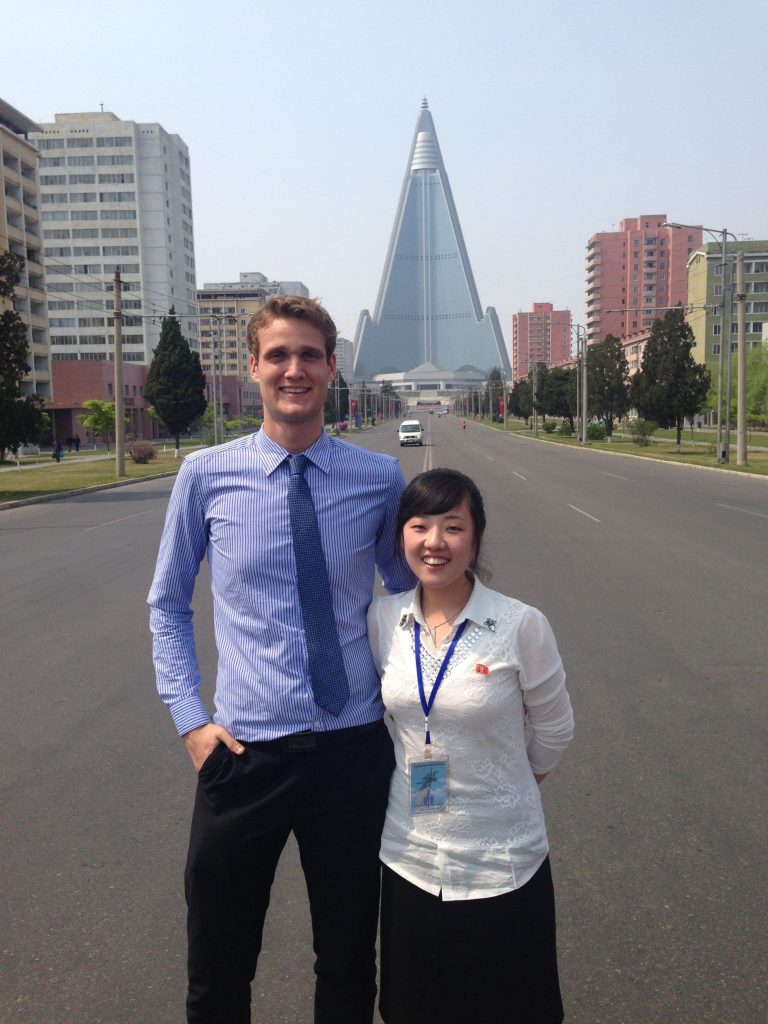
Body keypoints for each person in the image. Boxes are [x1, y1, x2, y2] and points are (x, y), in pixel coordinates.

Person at [148, 295, 415, 1024]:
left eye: (308, 356)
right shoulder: (205, 474)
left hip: (352, 754)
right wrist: (191, 723)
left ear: (331, 369)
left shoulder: (376, 477)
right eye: (278, 355)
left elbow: (409, 600)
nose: (293, 370)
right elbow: (167, 604)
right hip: (243, 757)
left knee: (349, 966)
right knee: (218, 969)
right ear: (253, 367)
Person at [367, 469, 574, 1024]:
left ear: (475, 538)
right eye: (419, 526)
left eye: (453, 527)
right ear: (401, 536)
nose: (434, 542)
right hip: (410, 856)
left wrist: (514, 786)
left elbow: (555, 728)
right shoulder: (384, 620)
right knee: (415, 1008)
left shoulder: (519, 624)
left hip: (501, 863)